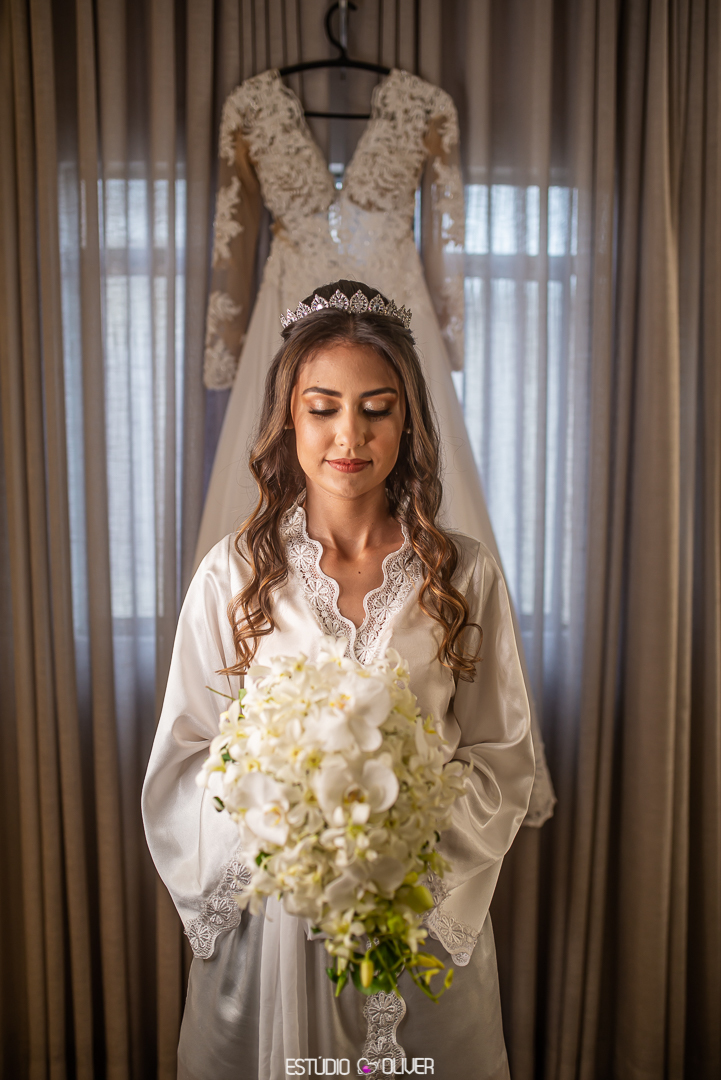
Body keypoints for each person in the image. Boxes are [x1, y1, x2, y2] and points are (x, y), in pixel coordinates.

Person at [142, 280, 536, 1080]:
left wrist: (399, 843)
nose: (347, 435)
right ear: (289, 418)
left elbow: (500, 755)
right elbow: (185, 760)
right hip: (271, 926)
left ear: (408, 419)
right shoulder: (233, 575)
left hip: (419, 917)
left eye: (376, 408)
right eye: (322, 407)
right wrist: (292, 831)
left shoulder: (463, 575)